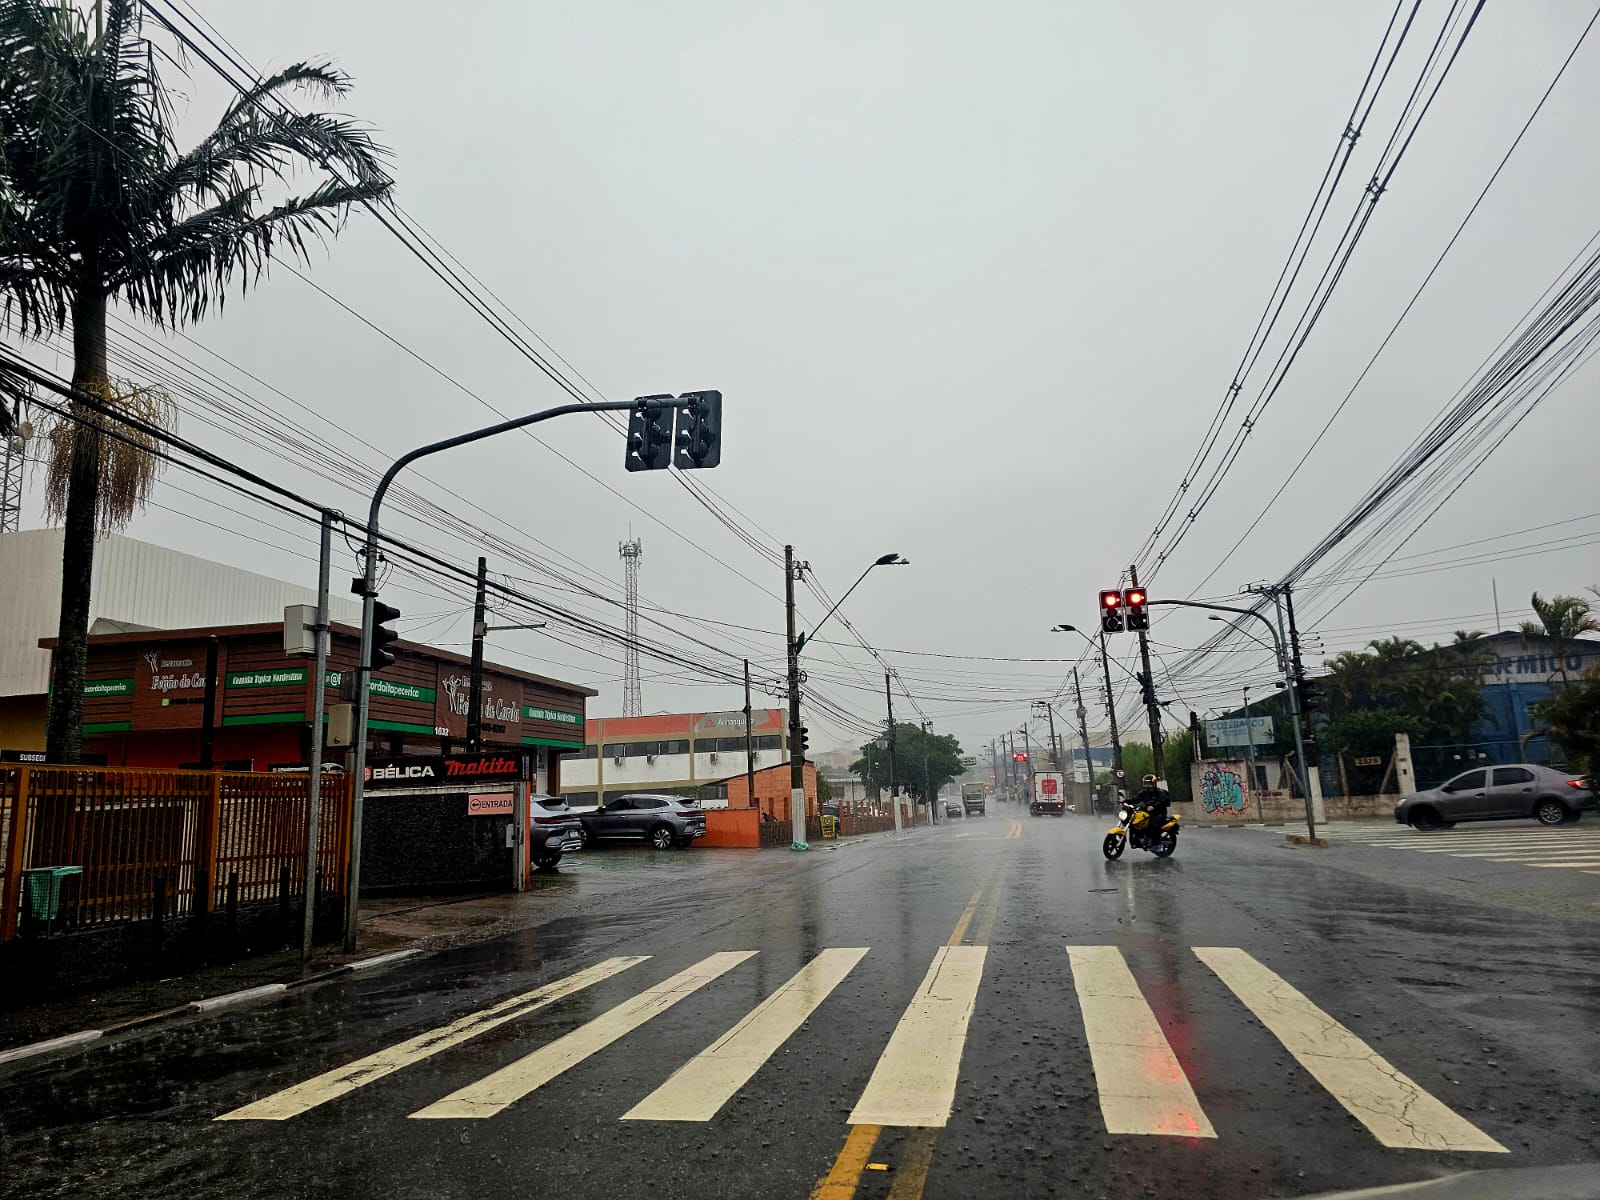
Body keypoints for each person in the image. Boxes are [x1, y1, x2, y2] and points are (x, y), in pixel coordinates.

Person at [1131, 774, 1170, 842]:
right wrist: (1125, 801)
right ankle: (1138, 839)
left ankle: (1156, 843)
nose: (1148, 786)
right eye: (1146, 784)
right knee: (1136, 820)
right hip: (1147, 812)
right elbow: (1135, 799)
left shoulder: (1160, 793)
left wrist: (1153, 806)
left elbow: (1162, 801)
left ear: (1154, 783)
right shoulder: (1143, 793)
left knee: (1152, 824)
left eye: (1149, 784)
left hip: (1159, 813)